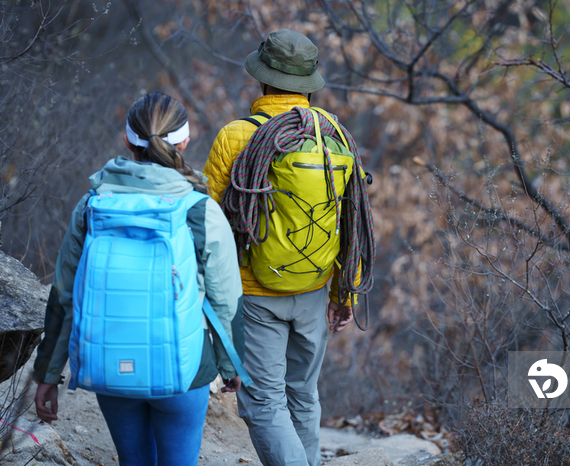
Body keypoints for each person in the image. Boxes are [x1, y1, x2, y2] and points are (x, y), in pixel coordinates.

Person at [33, 92, 244, 466]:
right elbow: (227, 299)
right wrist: (233, 366)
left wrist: (48, 373)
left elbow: (64, 294)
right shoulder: (200, 210)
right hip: (185, 370)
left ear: (129, 140)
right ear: (185, 141)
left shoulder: (91, 205)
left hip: (110, 365)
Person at [203, 30, 359, 466]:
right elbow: (352, 223)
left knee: (263, 404)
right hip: (315, 289)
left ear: (262, 80)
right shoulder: (334, 137)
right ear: (309, 83)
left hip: (254, 291)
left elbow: (207, 222)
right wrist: (345, 292)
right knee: (303, 396)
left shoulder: (237, 137)